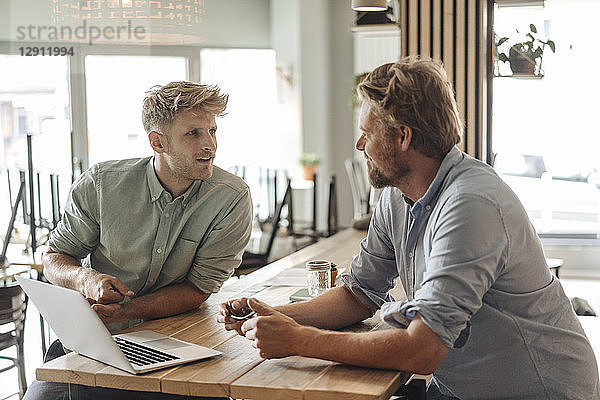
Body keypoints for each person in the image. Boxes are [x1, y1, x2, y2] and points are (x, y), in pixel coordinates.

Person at [218, 57, 599, 399]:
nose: (359, 143)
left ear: (403, 137)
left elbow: (423, 350)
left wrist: (300, 340)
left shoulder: (471, 204)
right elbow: (360, 294)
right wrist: (272, 316)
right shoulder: (397, 194)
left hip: (538, 391)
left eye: (367, 131)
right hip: (460, 386)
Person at [25, 81, 253, 400]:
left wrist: (125, 310)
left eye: (212, 131)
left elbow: (198, 289)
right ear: (157, 142)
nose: (210, 145)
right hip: (96, 341)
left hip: (179, 342)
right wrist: (85, 278)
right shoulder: (102, 185)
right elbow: (55, 257)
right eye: (193, 134)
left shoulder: (231, 198)